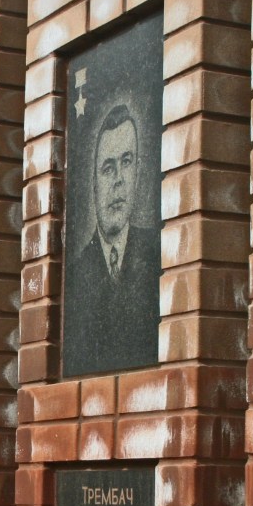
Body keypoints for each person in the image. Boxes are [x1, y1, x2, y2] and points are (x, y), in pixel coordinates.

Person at [64, 103, 161, 375]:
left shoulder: (158, 254)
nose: (119, 180)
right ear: (93, 182)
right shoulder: (75, 274)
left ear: (138, 171)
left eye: (126, 163)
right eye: (108, 168)